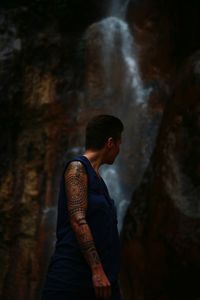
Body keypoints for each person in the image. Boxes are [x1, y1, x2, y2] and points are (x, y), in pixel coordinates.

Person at [41, 114, 124, 300]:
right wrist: (97, 270)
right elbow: (78, 219)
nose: (119, 149)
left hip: (103, 282)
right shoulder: (77, 168)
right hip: (71, 279)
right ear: (110, 142)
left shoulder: (99, 180)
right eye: (119, 143)